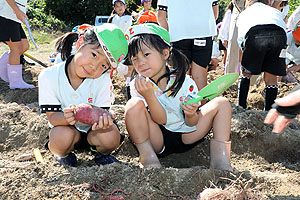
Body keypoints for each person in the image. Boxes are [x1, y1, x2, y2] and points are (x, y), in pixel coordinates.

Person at [124, 23, 233, 171]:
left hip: (187, 134)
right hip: (158, 140)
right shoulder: (139, 85)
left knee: (222, 103)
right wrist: (149, 96)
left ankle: (221, 161)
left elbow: (192, 122)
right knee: (133, 105)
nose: (140, 62)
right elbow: (161, 120)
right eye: (134, 58)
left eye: (146, 54)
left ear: (165, 53)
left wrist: (190, 113)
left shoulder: (183, 81)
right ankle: (148, 160)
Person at [38, 24, 128, 167]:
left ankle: (99, 153)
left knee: (111, 137)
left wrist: (104, 120)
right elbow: (53, 118)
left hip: (94, 131)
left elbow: (101, 113)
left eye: (103, 66)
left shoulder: (102, 80)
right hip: (67, 130)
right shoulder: (49, 76)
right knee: (58, 138)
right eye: (94, 55)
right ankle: (65, 155)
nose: (94, 67)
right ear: (80, 43)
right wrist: (69, 117)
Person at [157, 0, 219, 91]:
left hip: (178, 35)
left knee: (182, 76)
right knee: (200, 76)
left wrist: (168, 37)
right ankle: (201, 105)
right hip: (203, 33)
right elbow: (215, 12)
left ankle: (181, 104)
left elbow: (161, 16)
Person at [236, 0, 287, 111]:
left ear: (248, 3)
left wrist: (244, 63)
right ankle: (269, 111)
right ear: (268, 3)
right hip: (280, 35)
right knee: (271, 77)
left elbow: (241, 40)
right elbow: (284, 28)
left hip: (256, 34)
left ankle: (241, 107)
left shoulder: (245, 13)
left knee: (245, 74)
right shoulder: (274, 11)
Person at [0, 0, 35, 89]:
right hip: (6, 15)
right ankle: (15, 82)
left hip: (13, 17)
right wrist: (17, 11)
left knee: (24, 46)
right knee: (16, 48)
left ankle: (3, 67)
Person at [224, 0, 246, 74]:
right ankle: (229, 79)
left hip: (260, 7)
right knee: (233, 45)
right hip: (239, 6)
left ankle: (254, 83)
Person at [218, 2, 234, 69]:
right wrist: (224, 38)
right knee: (227, 54)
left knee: (229, 54)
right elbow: (225, 26)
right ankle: (225, 68)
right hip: (226, 37)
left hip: (228, 37)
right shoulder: (229, 13)